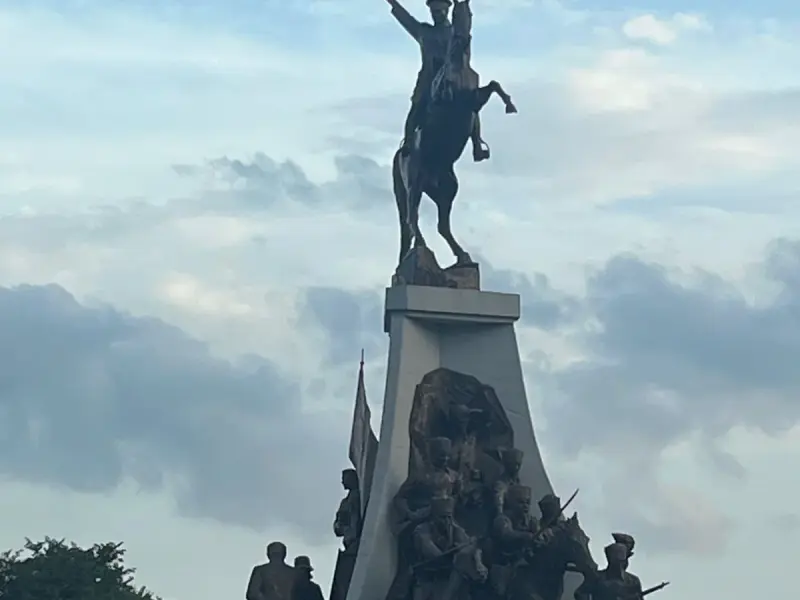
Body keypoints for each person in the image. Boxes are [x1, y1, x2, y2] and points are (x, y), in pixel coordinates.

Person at [386, 0, 490, 161]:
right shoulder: (423, 32)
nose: (437, 15)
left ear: (447, 11)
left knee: (470, 105)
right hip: (428, 81)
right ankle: (408, 142)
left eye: (440, 11)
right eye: (434, 12)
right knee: (416, 108)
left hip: (453, 81)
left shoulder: (456, 32)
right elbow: (406, 19)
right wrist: (392, 2)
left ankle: (476, 144)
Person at [573, 543, 643, 600]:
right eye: (617, 562)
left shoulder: (633, 581)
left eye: (622, 561)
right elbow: (580, 594)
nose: (620, 565)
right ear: (610, 560)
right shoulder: (596, 577)